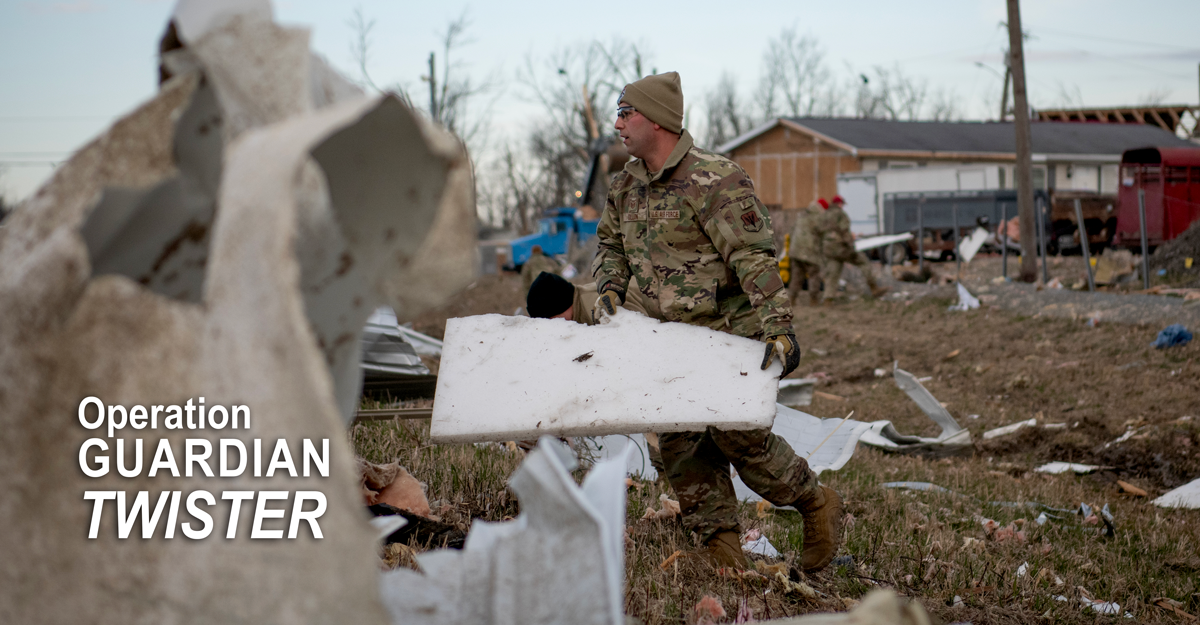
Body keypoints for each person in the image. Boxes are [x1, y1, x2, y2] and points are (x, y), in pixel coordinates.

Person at [589, 71, 843, 572]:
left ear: (657, 120)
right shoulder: (625, 185)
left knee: (740, 441)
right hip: (669, 339)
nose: (616, 123)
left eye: (625, 112)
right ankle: (724, 553)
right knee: (682, 449)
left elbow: (754, 259)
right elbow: (611, 244)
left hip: (730, 333)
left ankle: (817, 503)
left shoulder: (715, 178)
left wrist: (779, 328)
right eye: (617, 113)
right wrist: (612, 289)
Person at [818, 195, 887, 301]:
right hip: (840, 247)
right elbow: (845, 231)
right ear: (840, 204)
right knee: (863, 261)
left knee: (833, 273)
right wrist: (851, 245)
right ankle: (874, 288)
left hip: (828, 249)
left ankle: (828, 299)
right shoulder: (841, 214)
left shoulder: (824, 215)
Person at [788, 201, 826, 305]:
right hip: (810, 253)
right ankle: (813, 301)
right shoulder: (817, 219)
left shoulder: (800, 218)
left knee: (796, 277)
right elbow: (823, 233)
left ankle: (792, 299)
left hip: (795, 252)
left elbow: (792, 232)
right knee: (814, 276)